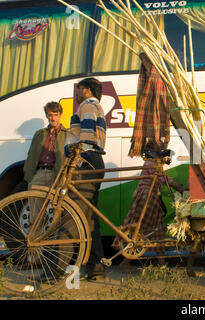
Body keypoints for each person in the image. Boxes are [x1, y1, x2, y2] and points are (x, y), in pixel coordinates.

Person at [65, 77, 107, 281]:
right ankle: (96, 266)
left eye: (79, 89)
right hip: (93, 163)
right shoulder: (91, 105)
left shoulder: (88, 106)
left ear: (87, 90)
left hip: (87, 163)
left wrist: (78, 158)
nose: (76, 92)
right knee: (89, 219)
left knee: (73, 216)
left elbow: (88, 138)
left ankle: (59, 270)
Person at [112, 158, 185, 273]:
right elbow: (165, 179)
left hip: (152, 197)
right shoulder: (151, 164)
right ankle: (126, 262)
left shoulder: (153, 163)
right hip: (147, 197)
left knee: (157, 229)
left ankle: (161, 264)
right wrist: (180, 188)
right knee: (141, 230)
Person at [23, 101, 68, 189]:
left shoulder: (67, 134)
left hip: (57, 175)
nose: (53, 118)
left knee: (55, 203)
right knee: (34, 202)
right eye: (50, 115)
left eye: (56, 115)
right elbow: (31, 155)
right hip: (39, 174)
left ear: (61, 115)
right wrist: (29, 177)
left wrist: (63, 177)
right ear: (46, 116)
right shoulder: (39, 134)